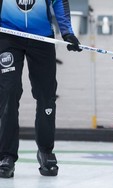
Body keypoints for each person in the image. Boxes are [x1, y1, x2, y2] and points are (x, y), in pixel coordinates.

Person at [0, 0, 82, 178]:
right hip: (8, 36)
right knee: (8, 93)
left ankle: (45, 151)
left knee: (46, 95)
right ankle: (6, 155)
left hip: (42, 37)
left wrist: (67, 33)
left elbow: (59, 1)